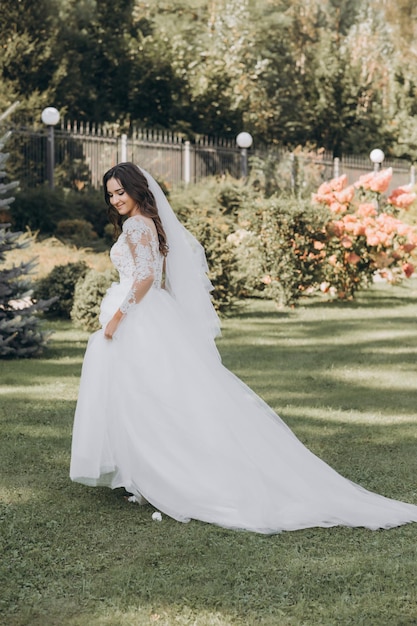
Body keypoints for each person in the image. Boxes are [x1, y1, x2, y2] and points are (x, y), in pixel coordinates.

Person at [70, 162, 417, 534]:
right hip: (155, 315)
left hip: (139, 317)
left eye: (121, 191)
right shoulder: (151, 224)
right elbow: (161, 280)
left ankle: (165, 475)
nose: (116, 199)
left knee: (147, 396)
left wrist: (118, 318)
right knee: (158, 396)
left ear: (138, 189)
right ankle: (148, 475)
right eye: (111, 194)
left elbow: (145, 277)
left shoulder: (138, 225)